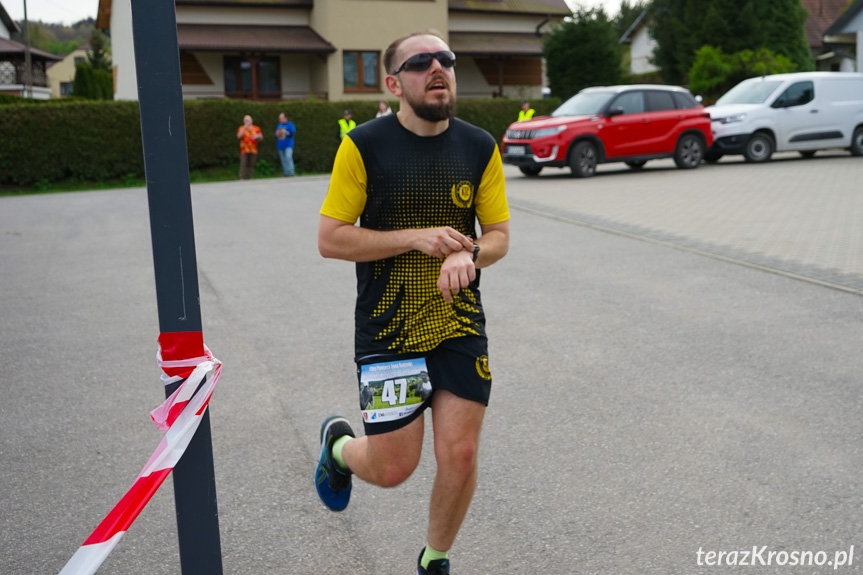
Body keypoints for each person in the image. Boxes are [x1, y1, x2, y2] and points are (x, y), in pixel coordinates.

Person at [315, 30, 510, 575]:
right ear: (393, 82)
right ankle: (338, 449)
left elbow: (498, 235)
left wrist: (469, 251)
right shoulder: (363, 146)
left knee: (461, 454)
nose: (438, 68)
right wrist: (416, 237)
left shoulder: (479, 146)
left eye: (445, 58)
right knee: (395, 467)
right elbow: (331, 238)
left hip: (458, 323)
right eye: (420, 61)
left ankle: (435, 559)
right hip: (389, 329)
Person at [237, 115, 263, 180]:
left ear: (251, 121)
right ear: (243, 121)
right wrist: (245, 129)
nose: (247, 121)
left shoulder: (256, 128)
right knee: (243, 163)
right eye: (246, 120)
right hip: (244, 149)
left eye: (248, 120)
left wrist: (258, 137)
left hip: (253, 149)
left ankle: (249, 177)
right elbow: (239, 136)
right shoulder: (241, 128)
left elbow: (261, 137)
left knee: (251, 164)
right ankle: (241, 177)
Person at [275, 112, 296, 177]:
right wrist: (277, 134)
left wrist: (286, 132)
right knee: (283, 159)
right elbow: (276, 136)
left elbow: (293, 134)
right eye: (279, 118)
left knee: (288, 157)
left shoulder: (290, 125)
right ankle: (286, 172)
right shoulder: (279, 125)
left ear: (285, 118)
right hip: (280, 145)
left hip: (288, 145)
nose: (280, 119)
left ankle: (291, 172)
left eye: (281, 118)